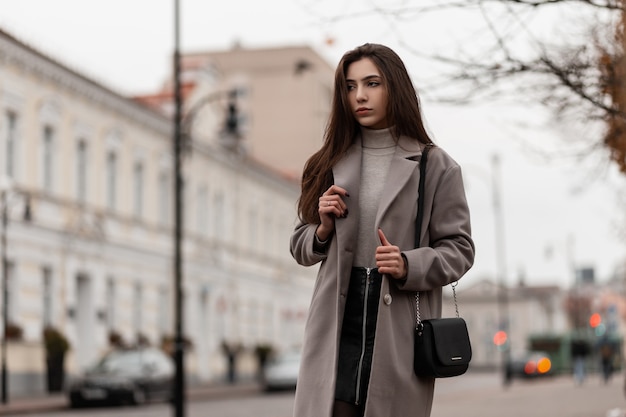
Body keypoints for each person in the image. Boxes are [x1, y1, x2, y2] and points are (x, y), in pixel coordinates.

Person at [290, 43, 475, 417]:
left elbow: (460, 249)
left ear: (395, 87)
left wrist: (409, 264)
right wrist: (322, 229)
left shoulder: (435, 165)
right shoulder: (326, 162)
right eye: (349, 86)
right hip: (338, 312)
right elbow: (299, 244)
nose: (359, 95)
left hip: (398, 317)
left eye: (372, 83)